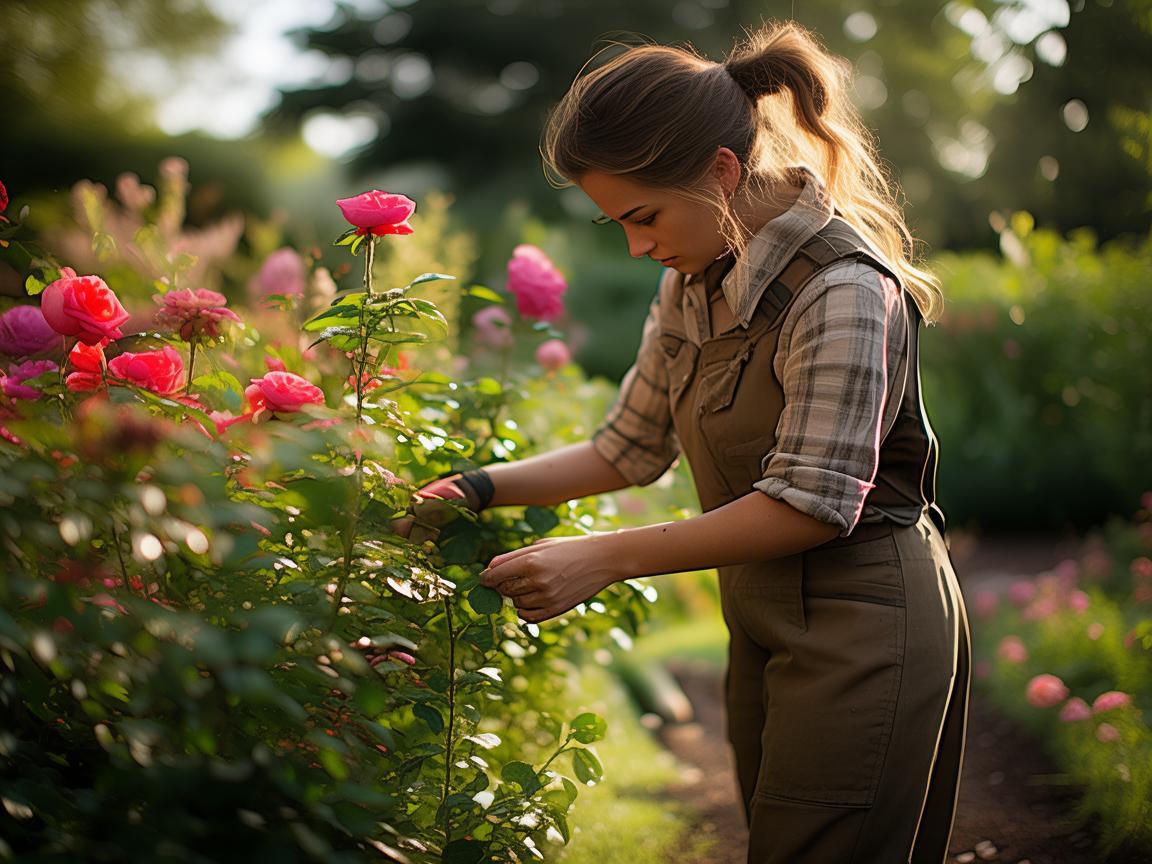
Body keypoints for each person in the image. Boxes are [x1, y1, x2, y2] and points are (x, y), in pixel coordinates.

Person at [410, 20, 969, 864]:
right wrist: (474, 487)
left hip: (865, 616)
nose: (640, 247)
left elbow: (812, 503)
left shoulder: (843, 288)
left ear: (720, 171)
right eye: (617, 227)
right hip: (762, 609)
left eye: (644, 216)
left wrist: (602, 556)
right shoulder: (694, 277)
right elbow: (627, 449)